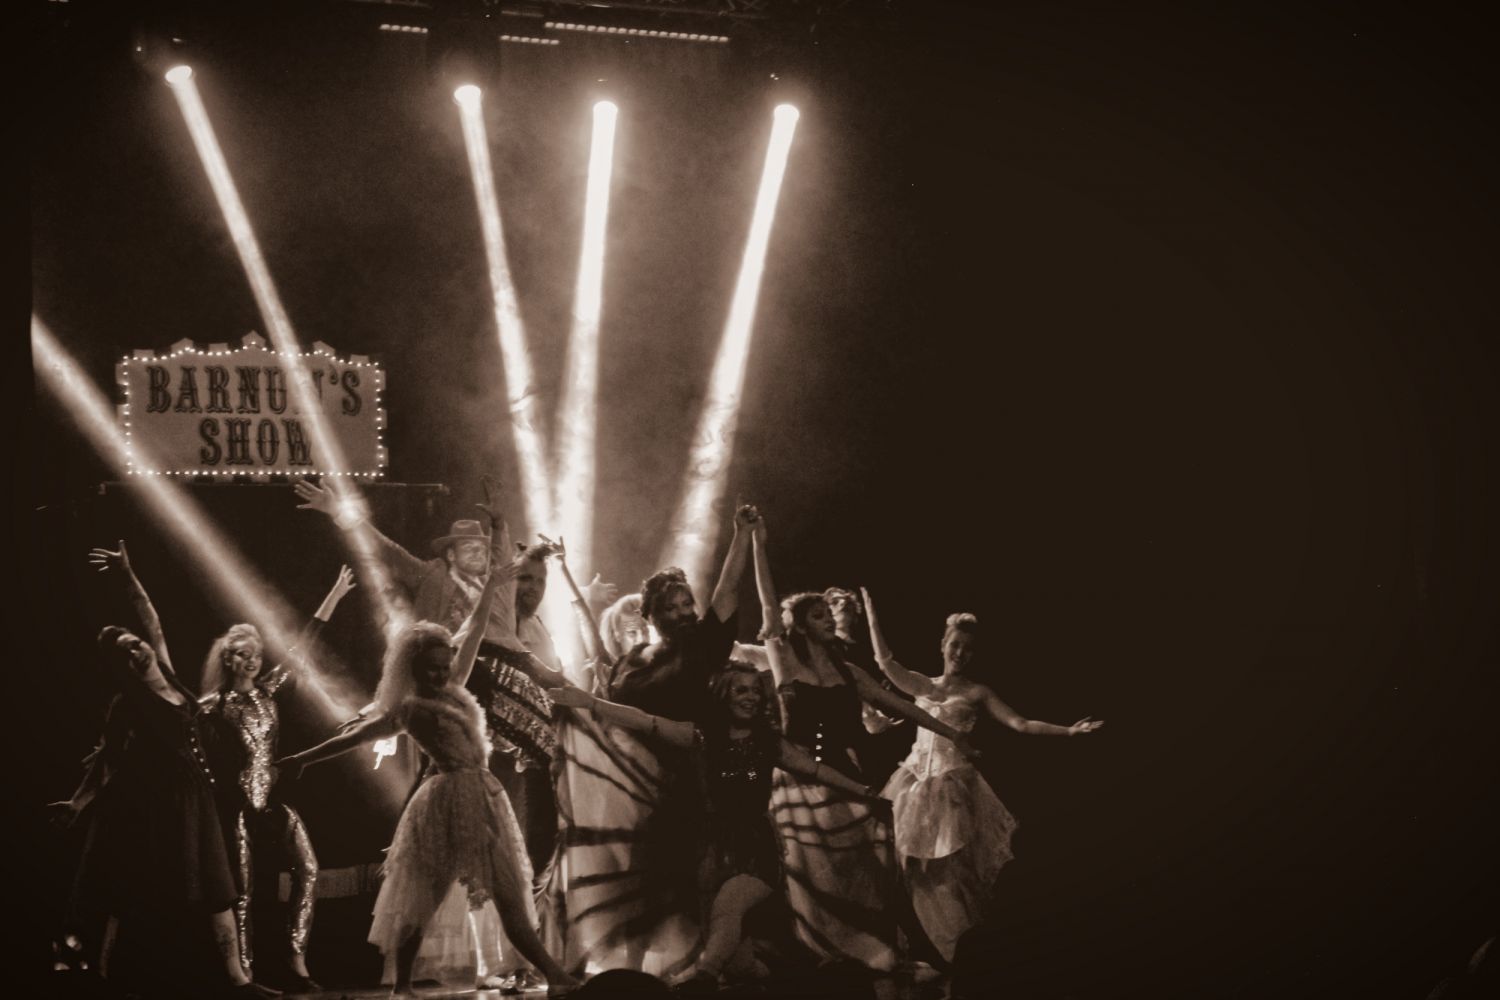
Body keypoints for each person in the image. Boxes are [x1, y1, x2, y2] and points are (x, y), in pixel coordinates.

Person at [275, 535, 578, 999]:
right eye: (432, 668)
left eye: (444, 665)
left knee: (508, 891)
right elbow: (356, 736)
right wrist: (302, 758)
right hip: (445, 800)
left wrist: (493, 582)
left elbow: (474, 630)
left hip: (485, 794)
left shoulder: (456, 683)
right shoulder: (411, 708)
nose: (441, 673)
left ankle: (552, 974)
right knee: (427, 895)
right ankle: (401, 984)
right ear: (415, 669)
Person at [551, 661, 887, 992]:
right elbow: (645, 721)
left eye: (755, 691)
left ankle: (703, 979)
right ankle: (790, 978)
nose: (751, 697)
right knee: (741, 965)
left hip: (756, 848)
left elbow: (815, 770)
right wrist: (590, 702)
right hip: (710, 850)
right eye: (741, 690)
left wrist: (865, 792)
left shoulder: (769, 743)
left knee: (729, 910)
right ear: (723, 695)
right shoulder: (701, 736)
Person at [748, 517, 978, 996]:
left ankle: (874, 952)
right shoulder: (784, 658)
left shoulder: (848, 671)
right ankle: (818, 956)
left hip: (843, 773)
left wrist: (950, 733)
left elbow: (901, 703)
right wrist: (756, 541)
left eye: (828, 616)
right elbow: (768, 607)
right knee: (806, 874)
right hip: (797, 777)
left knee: (866, 866)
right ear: (800, 624)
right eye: (818, 616)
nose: (829, 621)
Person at [540, 506, 758, 977]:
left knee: (691, 875)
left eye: (687, 605)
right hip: (631, 786)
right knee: (638, 878)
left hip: (687, 773)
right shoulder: (631, 661)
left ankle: (706, 968)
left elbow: (727, 591)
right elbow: (610, 713)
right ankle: (633, 972)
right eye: (671, 608)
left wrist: (740, 535)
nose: (682, 613)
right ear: (651, 615)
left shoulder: (700, 647)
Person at [51, 542, 276, 997]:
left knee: (218, 889)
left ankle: (239, 981)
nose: (138, 651)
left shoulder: (169, 675)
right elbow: (108, 758)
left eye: (135, 643)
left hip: (198, 798)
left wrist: (127, 575)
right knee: (136, 891)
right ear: (122, 666)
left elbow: (150, 618)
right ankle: (104, 976)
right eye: (127, 652)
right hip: (160, 804)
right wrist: (77, 803)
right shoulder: (129, 703)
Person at [863, 588, 1103, 961]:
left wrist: (1069, 731)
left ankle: (960, 949)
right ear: (943, 645)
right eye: (955, 645)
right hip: (912, 783)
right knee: (905, 866)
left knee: (950, 870)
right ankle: (918, 948)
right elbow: (885, 662)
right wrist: (871, 613)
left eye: (968, 649)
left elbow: (1020, 723)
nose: (960, 653)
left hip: (952, 783)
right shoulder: (922, 684)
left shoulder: (977, 692)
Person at [196, 565, 357, 990]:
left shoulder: (268, 692)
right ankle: (244, 974)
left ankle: (296, 959)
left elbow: (304, 646)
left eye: (256, 654)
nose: (252, 661)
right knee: (242, 892)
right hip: (234, 807)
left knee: (308, 869)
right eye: (242, 654)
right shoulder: (212, 706)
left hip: (271, 801)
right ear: (228, 659)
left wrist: (334, 595)